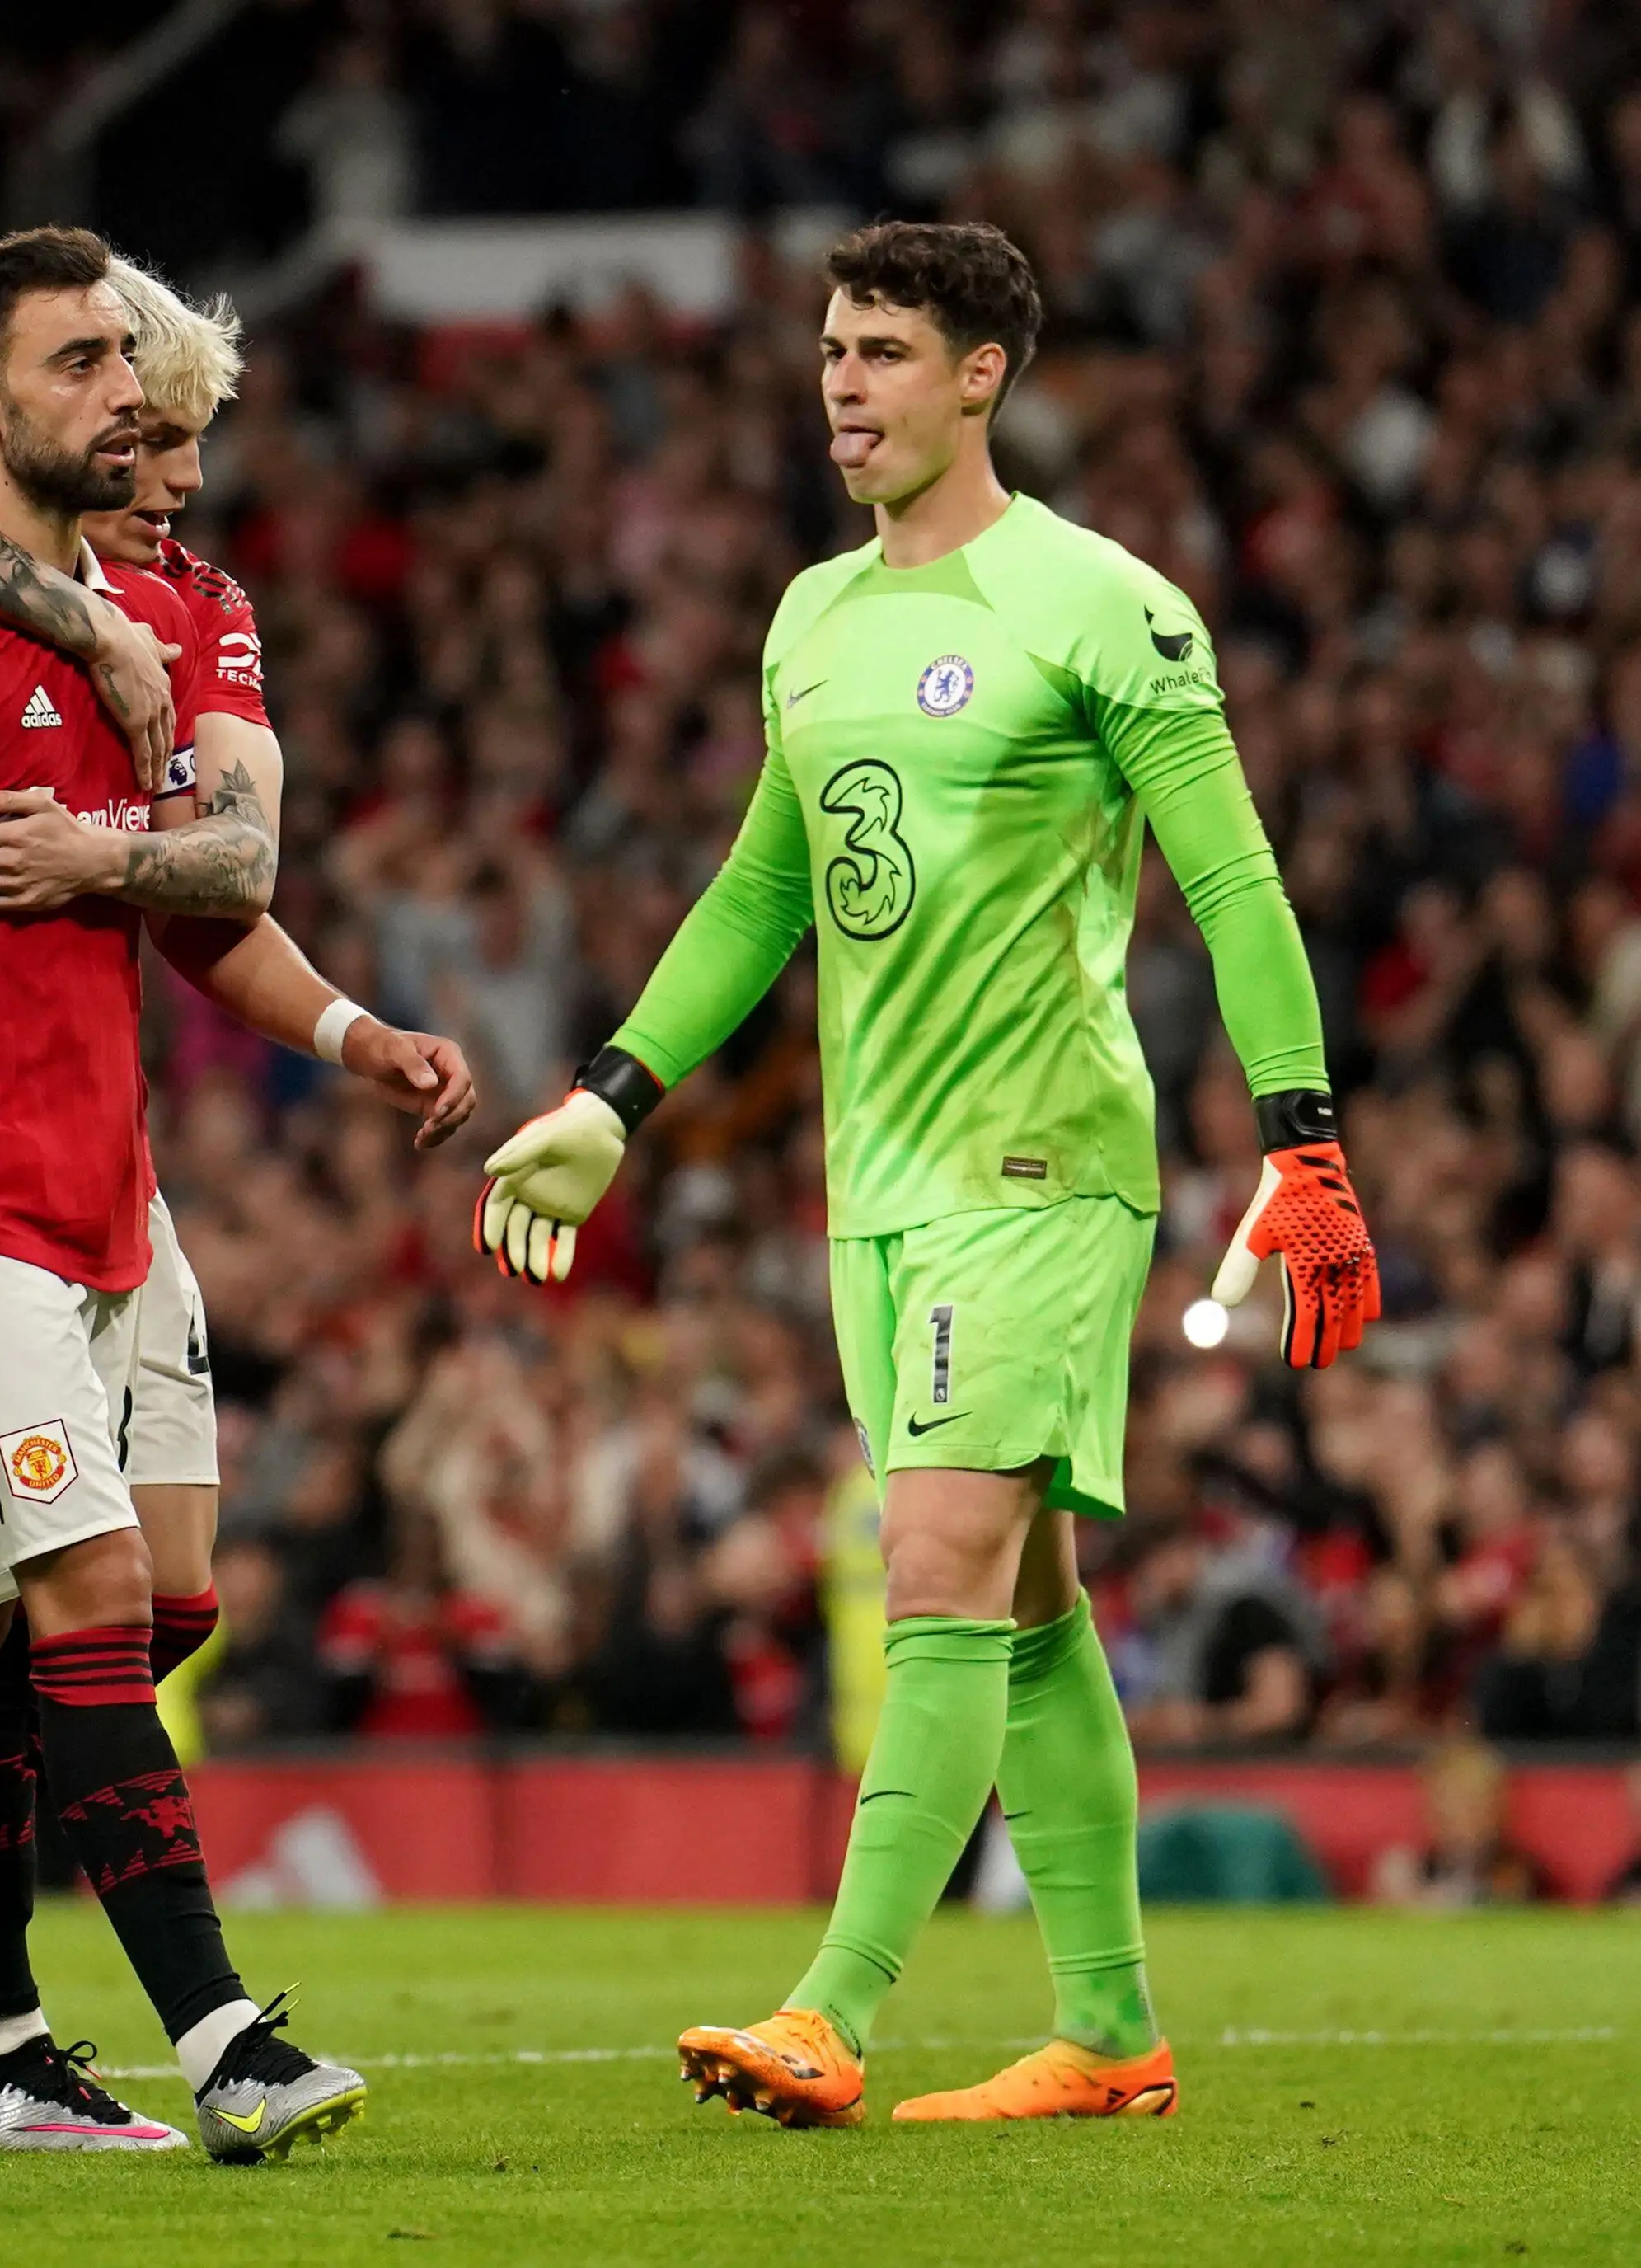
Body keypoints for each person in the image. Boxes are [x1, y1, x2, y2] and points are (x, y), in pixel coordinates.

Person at [472, 221, 1381, 2127]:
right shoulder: (813, 616)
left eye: (882, 350)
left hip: (1039, 1164)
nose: (841, 383)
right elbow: (759, 890)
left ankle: (835, 2005)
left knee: (938, 1565)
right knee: (1028, 1605)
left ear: (982, 373)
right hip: (874, 1188)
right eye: (829, 349)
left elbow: (1232, 881)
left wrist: (1303, 1141)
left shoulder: (1100, 606)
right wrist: (611, 1097)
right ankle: (1112, 2033)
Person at [0, 251, 476, 2138]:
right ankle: (43, 2026)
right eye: (118, 403)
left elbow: (229, 861)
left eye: (170, 422)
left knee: (137, 1607)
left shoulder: (197, 604)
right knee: (32, 1602)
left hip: (104, 1165)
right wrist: (87, 646)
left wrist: (332, 1023)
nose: (158, 460)